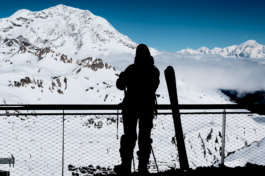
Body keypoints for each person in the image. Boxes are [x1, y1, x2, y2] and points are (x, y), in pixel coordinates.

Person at [114, 44, 160, 175]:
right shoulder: (154, 71)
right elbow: (153, 87)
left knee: (129, 137)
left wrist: (122, 77)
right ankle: (142, 168)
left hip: (130, 108)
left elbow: (120, 86)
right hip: (147, 108)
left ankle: (126, 166)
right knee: (144, 138)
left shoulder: (131, 69)